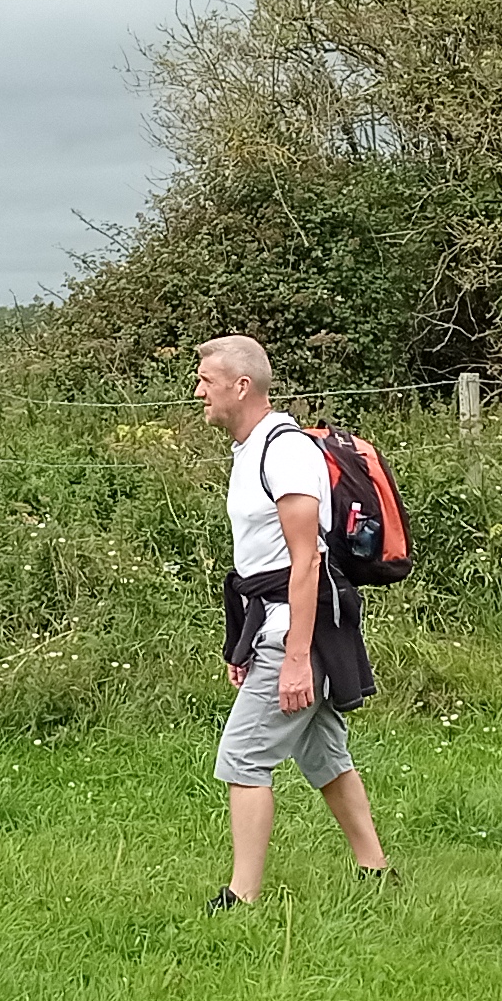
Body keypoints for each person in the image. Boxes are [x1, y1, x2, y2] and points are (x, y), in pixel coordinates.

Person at [189, 335, 388, 911]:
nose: (199, 389)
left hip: (298, 627)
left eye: (207, 379)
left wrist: (296, 657)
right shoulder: (249, 450)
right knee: (323, 752)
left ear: (241, 386)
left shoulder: (287, 451)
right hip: (273, 622)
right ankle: (376, 873)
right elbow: (263, 560)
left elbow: (306, 560)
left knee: (243, 757)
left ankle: (241, 896)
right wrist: (242, 643)